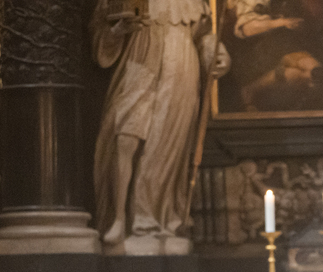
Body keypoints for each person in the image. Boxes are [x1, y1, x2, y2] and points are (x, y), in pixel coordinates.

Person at [91, 0, 228, 251]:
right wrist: (117, 31)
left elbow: (203, 35)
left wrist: (215, 52)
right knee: (125, 137)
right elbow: (100, 37)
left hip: (181, 68)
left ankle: (152, 222)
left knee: (166, 146)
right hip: (139, 63)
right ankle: (118, 218)